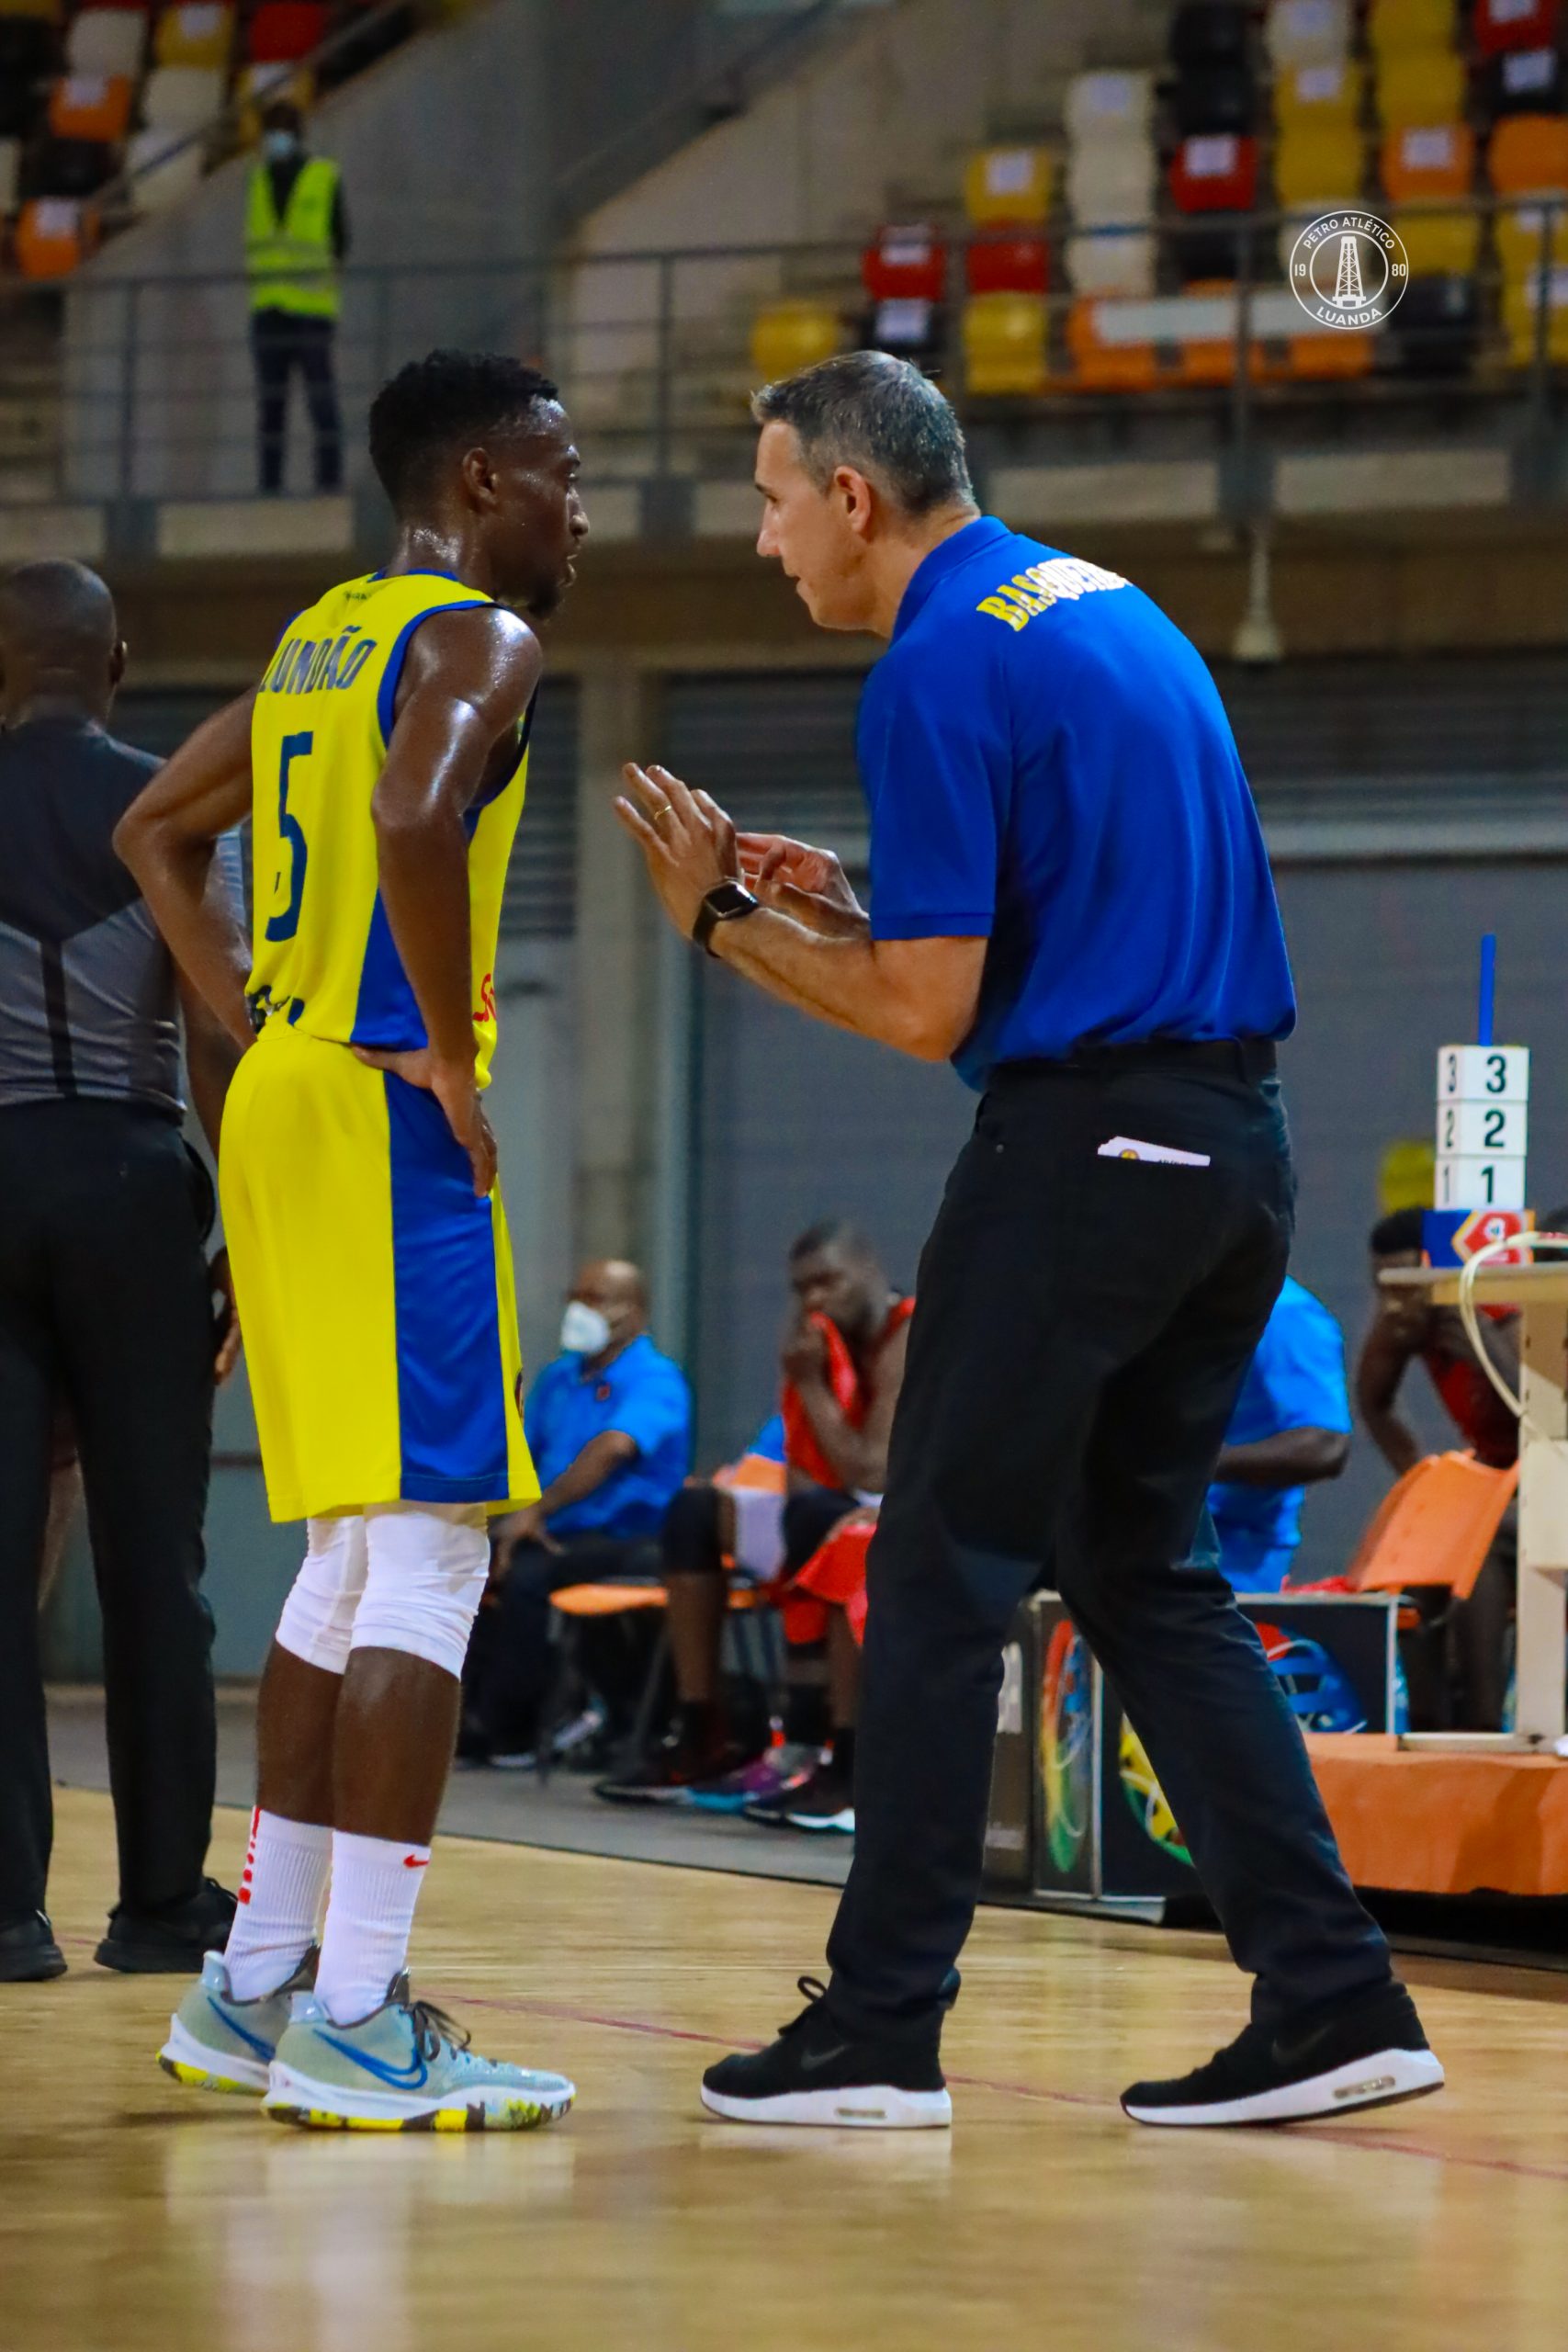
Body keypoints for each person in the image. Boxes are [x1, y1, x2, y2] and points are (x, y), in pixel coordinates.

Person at [616, 351, 1441, 2131]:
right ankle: (1331, 1993)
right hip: (1230, 1149)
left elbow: (926, 1011)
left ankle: (877, 2026)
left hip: (1083, 1147)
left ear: (850, 496)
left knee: (932, 1570)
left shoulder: (929, 660)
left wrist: (715, 924)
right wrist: (832, 889)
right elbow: (1054, 886)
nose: (762, 538)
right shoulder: (1093, 600)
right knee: (1141, 1573)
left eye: (769, 498)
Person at [115, 349, 590, 2131]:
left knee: (338, 1554)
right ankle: (365, 2011)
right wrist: (449, 1063)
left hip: (284, 1102)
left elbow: (152, 832)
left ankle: (252, 1992)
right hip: (384, 1116)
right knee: (437, 1555)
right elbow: (409, 814)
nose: (578, 506)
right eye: (559, 470)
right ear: (476, 479)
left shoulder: (313, 635)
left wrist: (261, 1028)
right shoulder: (476, 641)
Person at [0, 560, 243, 1986]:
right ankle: (157, 1906)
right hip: (137, 1184)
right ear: (118, 664)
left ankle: (4, 1917)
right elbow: (218, 1029)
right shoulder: (173, 799)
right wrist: (237, 1240)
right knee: (158, 1561)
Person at [598, 1217, 910, 1818]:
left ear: (869, 1272)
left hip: (902, 1514)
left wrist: (811, 1385)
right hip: (823, 1510)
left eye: (829, 1282)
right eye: (803, 1289)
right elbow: (800, 1471)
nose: (815, 1300)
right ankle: (703, 1731)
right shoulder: (815, 1339)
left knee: (824, 1522)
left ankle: (838, 1755)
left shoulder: (906, 1333)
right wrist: (803, 1385)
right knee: (692, 1512)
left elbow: (872, 1472)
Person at [459, 1257, 692, 1767]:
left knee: (527, 1576)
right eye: (577, 1295)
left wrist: (537, 1513)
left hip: (631, 1538)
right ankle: (470, 1712)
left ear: (633, 1312)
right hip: (553, 1530)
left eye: (596, 1299)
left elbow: (611, 1450)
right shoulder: (561, 1379)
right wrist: (506, 1519)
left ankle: (517, 1725)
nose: (579, 1309)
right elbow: (521, 1453)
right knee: (474, 1563)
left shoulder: (655, 1379)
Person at [1357, 1205, 1521, 1728]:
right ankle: (1431, 1721)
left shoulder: (1504, 1318)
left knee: (1480, 1544)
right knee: (1413, 1545)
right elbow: (1373, 1401)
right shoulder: (1405, 1321)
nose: (1392, 1302)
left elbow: (1542, 1416)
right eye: (1382, 1287)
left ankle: (1484, 1721)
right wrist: (1419, 1475)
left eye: (1405, 1285)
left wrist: (1483, 1350)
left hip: (1544, 1468)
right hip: (1498, 1476)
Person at [1205, 1273, 1352, 1592]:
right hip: (1131, 1538)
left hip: (1222, 1560)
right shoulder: (1159, 1300)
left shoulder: (1282, 1311)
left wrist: (1179, 1466)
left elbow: (1324, 1446)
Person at [245, 100, 347, 496]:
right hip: (268, 309)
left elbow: (340, 239)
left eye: (281, 131)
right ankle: (269, 487)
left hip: (311, 310)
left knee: (320, 402)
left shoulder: (323, 177)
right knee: (272, 407)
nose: (276, 140)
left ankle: (328, 484)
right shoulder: (258, 180)